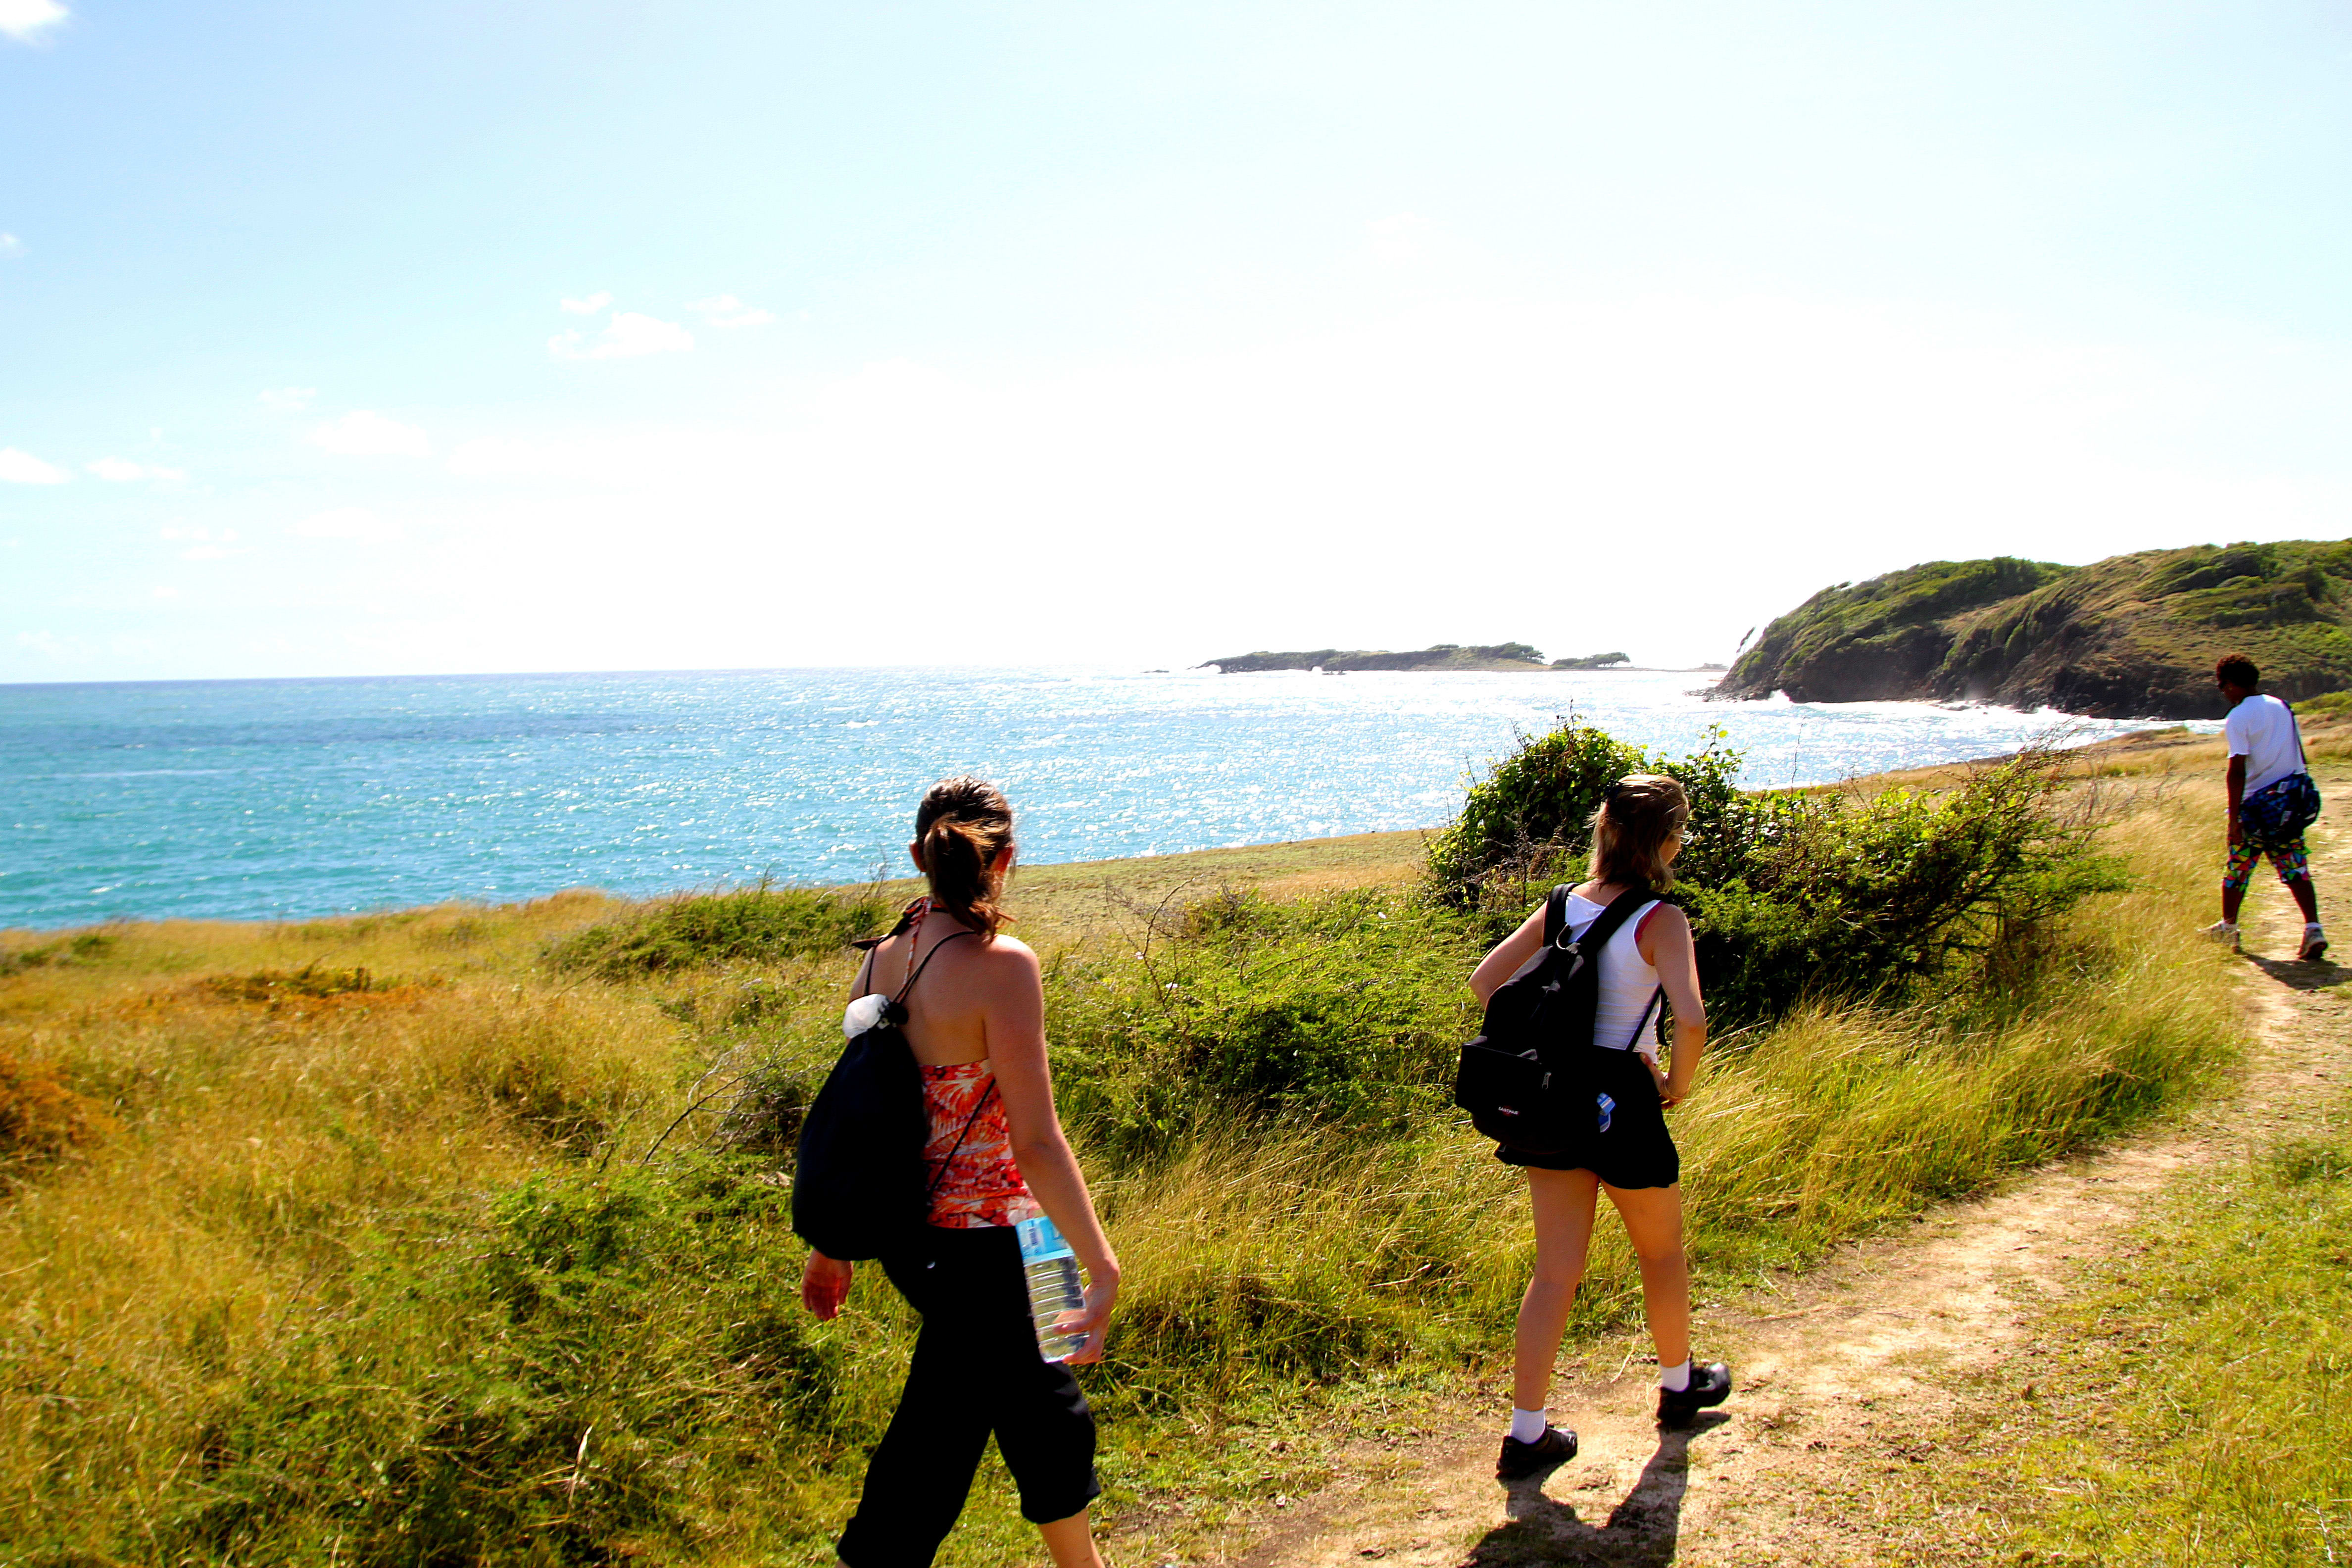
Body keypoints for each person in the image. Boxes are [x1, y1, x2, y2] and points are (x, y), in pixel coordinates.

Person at [800, 777, 1121, 1568]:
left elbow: (857, 1119)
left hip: (939, 1239)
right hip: (998, 1243)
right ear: (1005, 859)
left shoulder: (881, 960)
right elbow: (1037, 1139)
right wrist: (1104, 1261)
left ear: (920, 855)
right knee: (952, 1421)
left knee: (1043, 1400)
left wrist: (831, 1244)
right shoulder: (1003, 964)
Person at [1467, 774, 1730, 1482]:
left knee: (1555, 1271)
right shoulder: (1662, 919)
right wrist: (1675, 1082)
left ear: (1604, 829)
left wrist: (1544, 1038)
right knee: (1661, 1251)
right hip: (1624, 1095)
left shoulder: (1562, 906)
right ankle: (1679, 1388)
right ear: (1668, 840)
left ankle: (1527, 1435)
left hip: (1552, 1096)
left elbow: (1487, 981)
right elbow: (1693, 1017)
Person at [2204, 653, 2326, 961]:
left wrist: (2234, 820)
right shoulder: (2280, 706)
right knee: (2295, 866)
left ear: (2232, 684)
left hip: (2257, 808)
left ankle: (2229, 927)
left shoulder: (2239, 716)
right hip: (2290, 801)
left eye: (2222, 686)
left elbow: (2237, 770)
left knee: (2239, 867)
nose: (2224, 692)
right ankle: (2313, 928)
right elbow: (2298, 752)